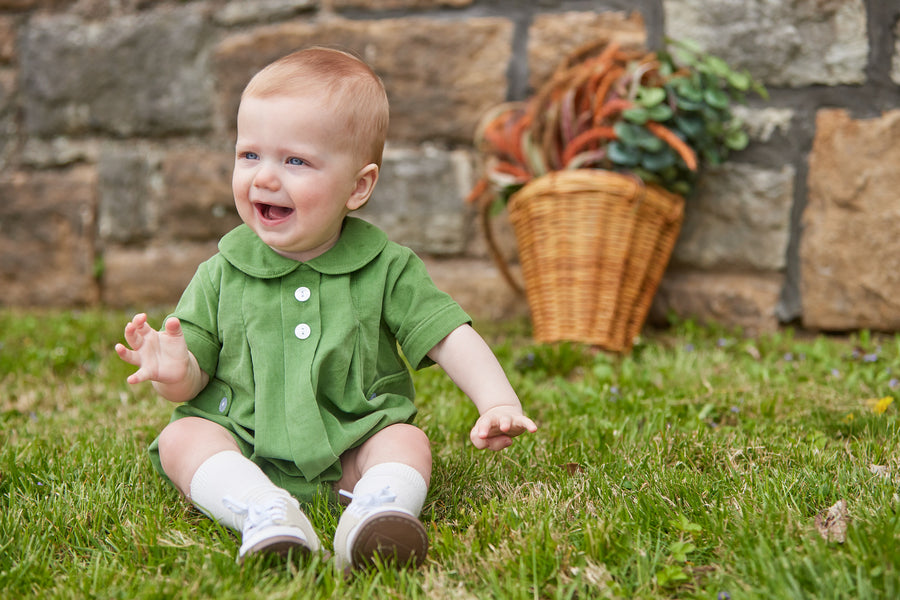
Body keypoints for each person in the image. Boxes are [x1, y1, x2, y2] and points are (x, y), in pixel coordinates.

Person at [114, 46, 537, 570]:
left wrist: (497, 401)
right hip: (245, 444)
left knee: (405, 441)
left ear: (357, 187)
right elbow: (190, 384)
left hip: (352, 446)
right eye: (250, 155)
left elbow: (447, 334)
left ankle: (376, 512)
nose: (265, 178)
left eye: (295, 161)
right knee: (183, 436)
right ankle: (262, 511)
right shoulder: (220, 271)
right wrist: (172, 371)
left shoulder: (387, 267)